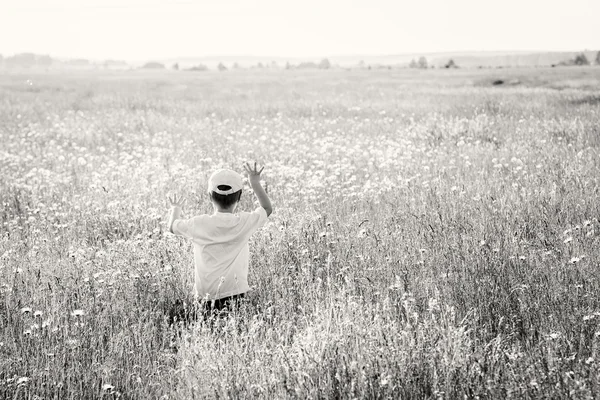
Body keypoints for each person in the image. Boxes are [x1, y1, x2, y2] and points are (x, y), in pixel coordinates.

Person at [166, 162, 272, 323]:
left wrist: (176, 208)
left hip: (206, 296)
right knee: (235, 332)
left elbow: (172, 227)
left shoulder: (199, 223)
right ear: (240, 196)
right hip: (236, 293)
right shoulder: (243, 222)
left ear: (209, 195)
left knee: (208, 328)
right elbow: (266, 208)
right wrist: (255, 183)